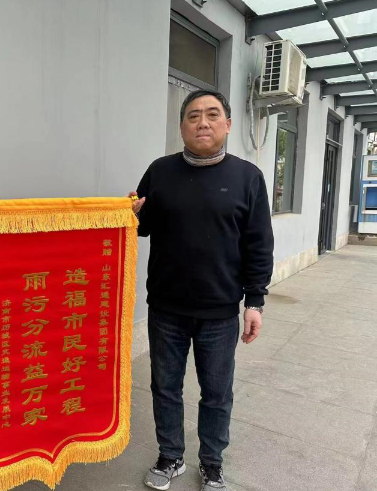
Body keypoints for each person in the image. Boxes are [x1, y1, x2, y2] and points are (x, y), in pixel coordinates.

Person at [132, 90, 274, 491]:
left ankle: (212, 462)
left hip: (220, 310)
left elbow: (259, 243)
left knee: (216, 392)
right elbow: (142, 226)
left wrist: (255, 301)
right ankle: (170, 455)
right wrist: (131, 214)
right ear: (182, 127)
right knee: (165, 387)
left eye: (212, 115)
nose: (203, 123)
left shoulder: (247, 177)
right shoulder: (160, 171)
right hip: (166, 307)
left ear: (227, 124)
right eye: (193, 116)